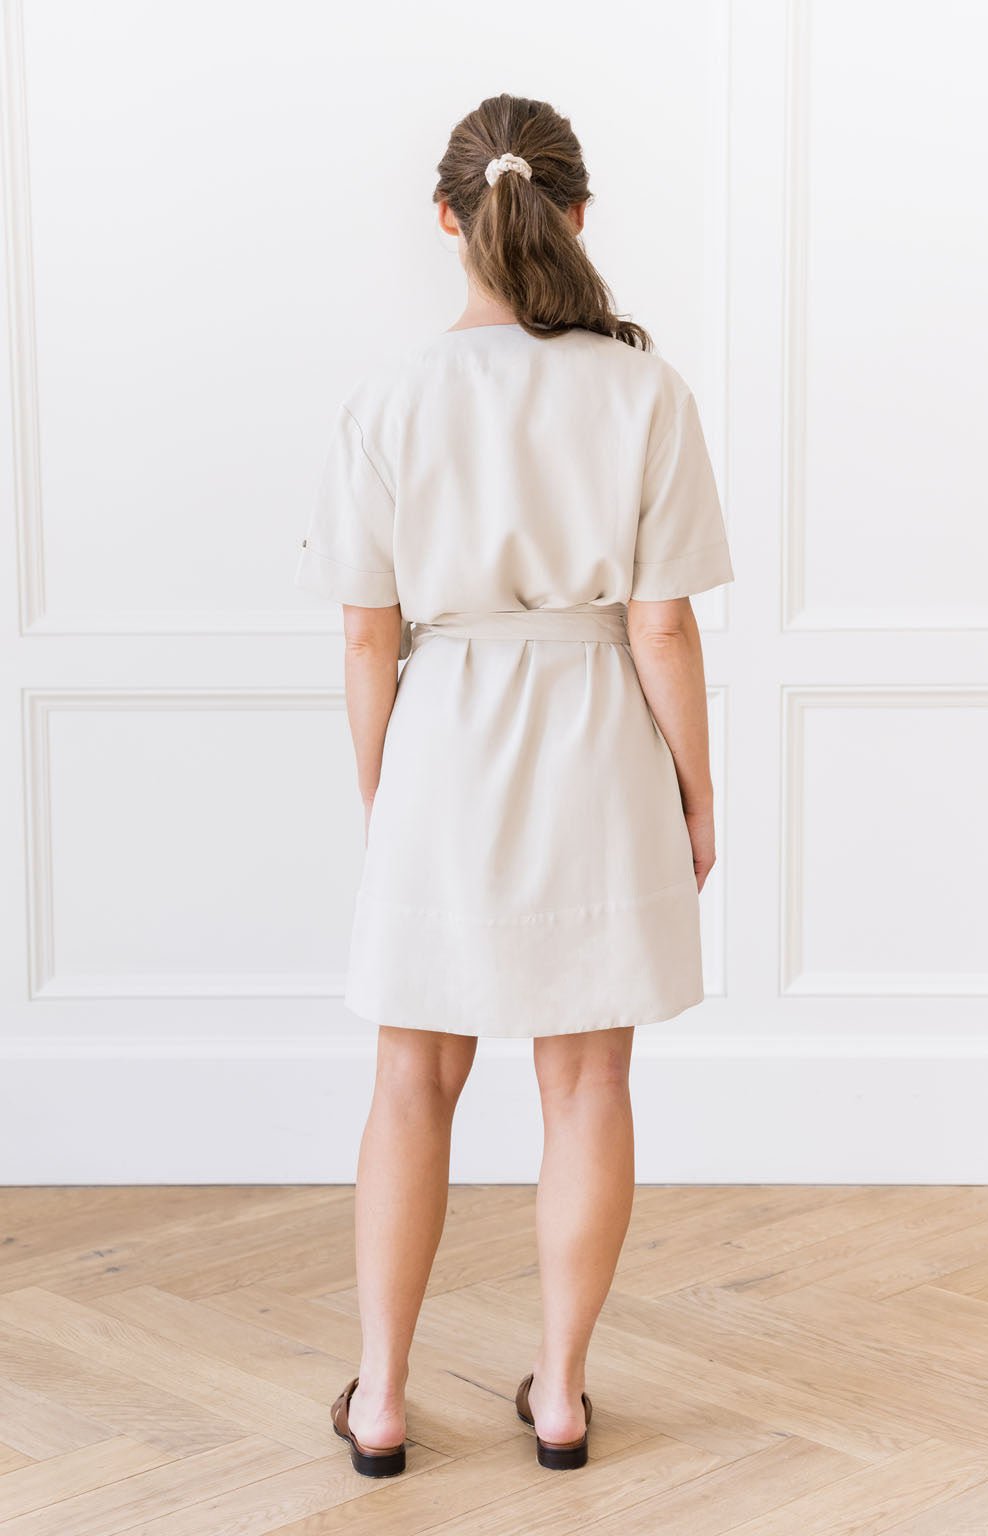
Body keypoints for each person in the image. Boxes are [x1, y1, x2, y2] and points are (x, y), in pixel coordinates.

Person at [294, 92, 734, 1477]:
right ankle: (561, 1398)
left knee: (411, 1078)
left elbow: (365, 637)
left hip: (445, 739)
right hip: (598, 737)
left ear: (447, 219)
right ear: (579, 213)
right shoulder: (645, 391)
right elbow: (663, 627)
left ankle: (380, 1400)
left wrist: (386, 797)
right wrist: (697, 792)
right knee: (588, 1078)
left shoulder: (390, 400)